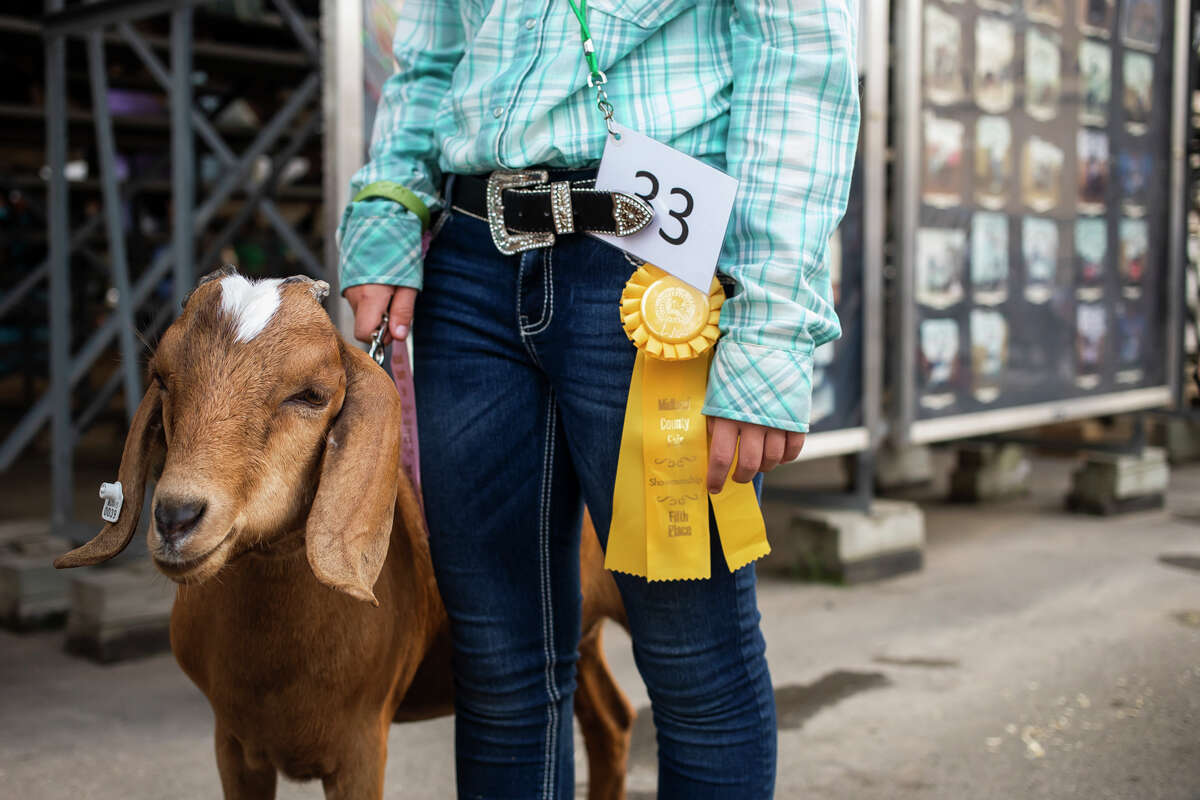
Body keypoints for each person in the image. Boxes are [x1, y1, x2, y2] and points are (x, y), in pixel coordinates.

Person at [338, 1, 859, 796]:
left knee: (697, 665)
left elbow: (798, 64)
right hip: (472, 262)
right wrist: (386, 208)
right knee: (495, 664)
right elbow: (431, 58)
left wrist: (772, 330)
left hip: (654, 269)